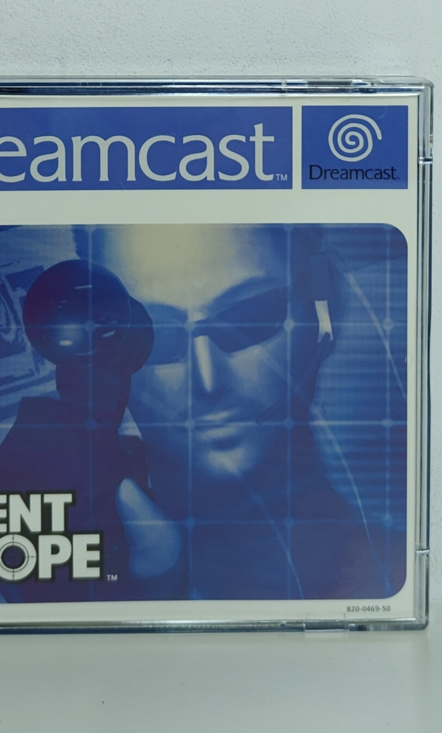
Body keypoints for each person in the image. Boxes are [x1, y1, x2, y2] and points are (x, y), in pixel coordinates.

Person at [85, 224, 403, 600]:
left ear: (324, 312)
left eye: (250, 316)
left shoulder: (397, 574)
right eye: (154, 336)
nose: (208, 381)